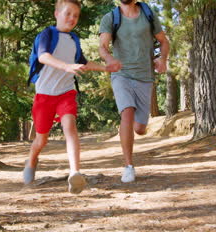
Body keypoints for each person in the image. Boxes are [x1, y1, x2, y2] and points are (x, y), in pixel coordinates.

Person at [23, 0, 116, 194]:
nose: (72, 18)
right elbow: (43, 57)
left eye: (76, 15)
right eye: (68, 13)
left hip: (66, 93)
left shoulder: (74, 39)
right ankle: (31, 161)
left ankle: (75, 173)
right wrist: (66, 66)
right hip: (44, 96)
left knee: (70, 126)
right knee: (41, 140)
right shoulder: (47, 34)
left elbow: (82, 62)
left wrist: (105, 68)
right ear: (57, 13)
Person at [99, 0, 169, 183]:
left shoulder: (148, 14)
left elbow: (163, 41)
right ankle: (128, 166)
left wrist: (162, 59)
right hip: (121, 74)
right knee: (127, 112)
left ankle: (138, 127)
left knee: (139, 128)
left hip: (145, 77)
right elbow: (103, 46)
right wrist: (109, 59)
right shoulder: (111, 18)